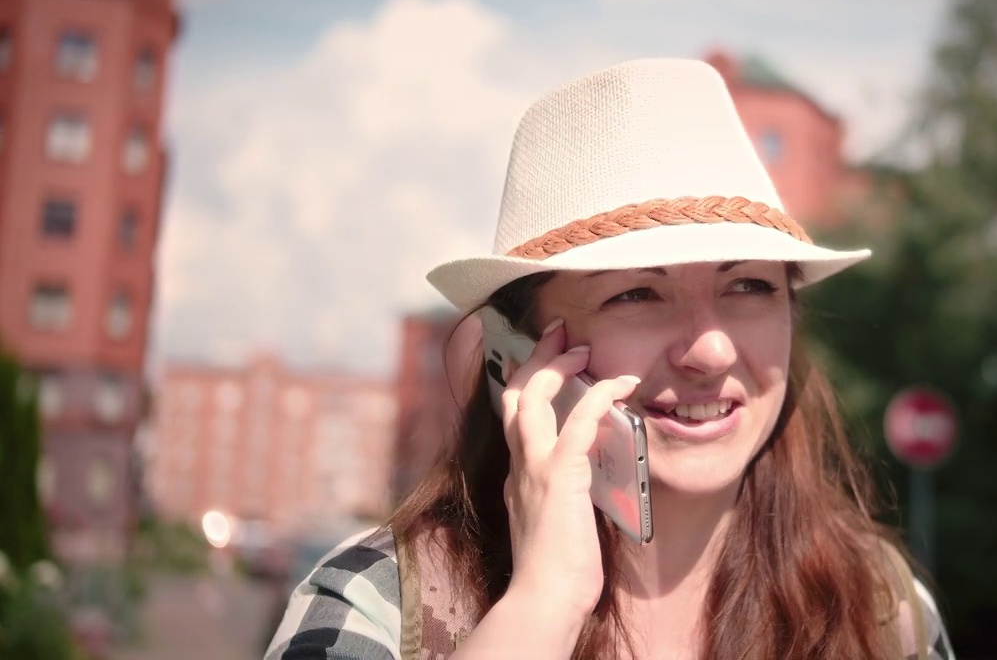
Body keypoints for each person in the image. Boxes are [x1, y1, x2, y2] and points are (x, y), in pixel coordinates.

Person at [265, 58, 956, 659]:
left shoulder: (882, 609)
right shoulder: (379, 604)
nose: (710, 350)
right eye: (635, 294)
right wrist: (540, 610)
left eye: (748, 285)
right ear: (517, 351)